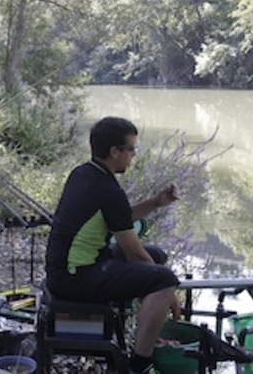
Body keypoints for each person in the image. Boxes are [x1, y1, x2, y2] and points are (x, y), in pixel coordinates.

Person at [45, 116, 181, 374]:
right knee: (163, 278)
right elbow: (135, 255)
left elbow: (118, 217)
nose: (133, 156)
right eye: (131, 150)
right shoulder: (108, 189)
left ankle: (141, 327)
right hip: (74, 277)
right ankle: (138, 363)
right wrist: (170, 292)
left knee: (157, 255)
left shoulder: (84, 173)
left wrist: (156, 202)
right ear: (115, 151)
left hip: (68, 268)